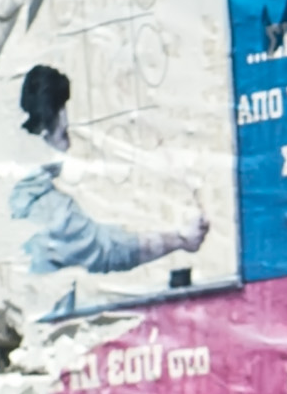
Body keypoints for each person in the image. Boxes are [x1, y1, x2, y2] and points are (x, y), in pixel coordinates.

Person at [13, 61, 209, 277]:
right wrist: (180, 239)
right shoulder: (54, 212)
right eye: (64, 134)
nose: (68, 148)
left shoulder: (15, 189)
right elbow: (108, 251)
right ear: (43, 134)